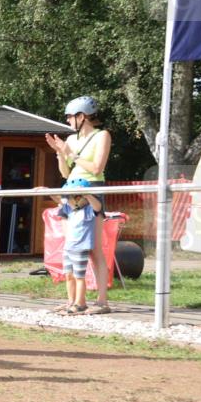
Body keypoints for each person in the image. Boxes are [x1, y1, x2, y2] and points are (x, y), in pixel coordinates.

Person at [45, 96, 112, 314]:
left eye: (70, 117)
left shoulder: (102, 135)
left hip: (91, 190)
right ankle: (72, 300)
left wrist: (70, 153)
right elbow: (65, 173)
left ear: (81, 117)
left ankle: (102, 301)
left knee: (94, 250)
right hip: (71, 190)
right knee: (71, 247)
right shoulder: (71, 139)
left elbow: (96, 167)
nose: (67, 121)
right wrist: (59, 154)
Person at [50, 179, 102, 315]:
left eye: (76, 196)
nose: (72, 200)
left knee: (79, 276)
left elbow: (98, 207)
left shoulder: (89, 209)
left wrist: (88, 195)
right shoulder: (69, 209)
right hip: (69, 247)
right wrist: (47, 191)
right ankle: (71, 301)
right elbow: (59, 200)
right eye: (71, 197)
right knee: (68, 275)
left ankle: (81, 303)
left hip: (81, 247)